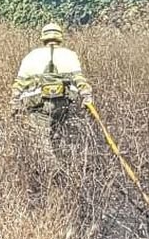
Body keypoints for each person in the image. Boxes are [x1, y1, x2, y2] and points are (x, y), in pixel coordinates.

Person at [11, 23, 93, 162]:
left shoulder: (32, 56)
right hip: (64, 105)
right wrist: (87, 97)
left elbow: (19, 83)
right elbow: (80, 81)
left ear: (43, 37)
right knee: (61, 137)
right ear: (60, 37)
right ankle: (63, 164)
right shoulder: (70, 55)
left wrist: (14, 104)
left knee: (42, 140)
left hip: (37, 105)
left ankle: (49, 170)